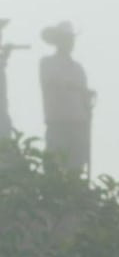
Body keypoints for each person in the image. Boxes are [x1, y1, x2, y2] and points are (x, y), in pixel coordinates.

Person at [39, 21, 94, 173]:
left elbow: (84, 97)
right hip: (57, 123)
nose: (69, 43)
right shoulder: (47, 63)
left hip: (79, 124)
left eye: (71, 39)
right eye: (65, 39)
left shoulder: (78, 68)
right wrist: (77, 88)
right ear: (57, 41)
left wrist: (87, 98)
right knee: (53, 167)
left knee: (76, 168)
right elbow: (53, 82)